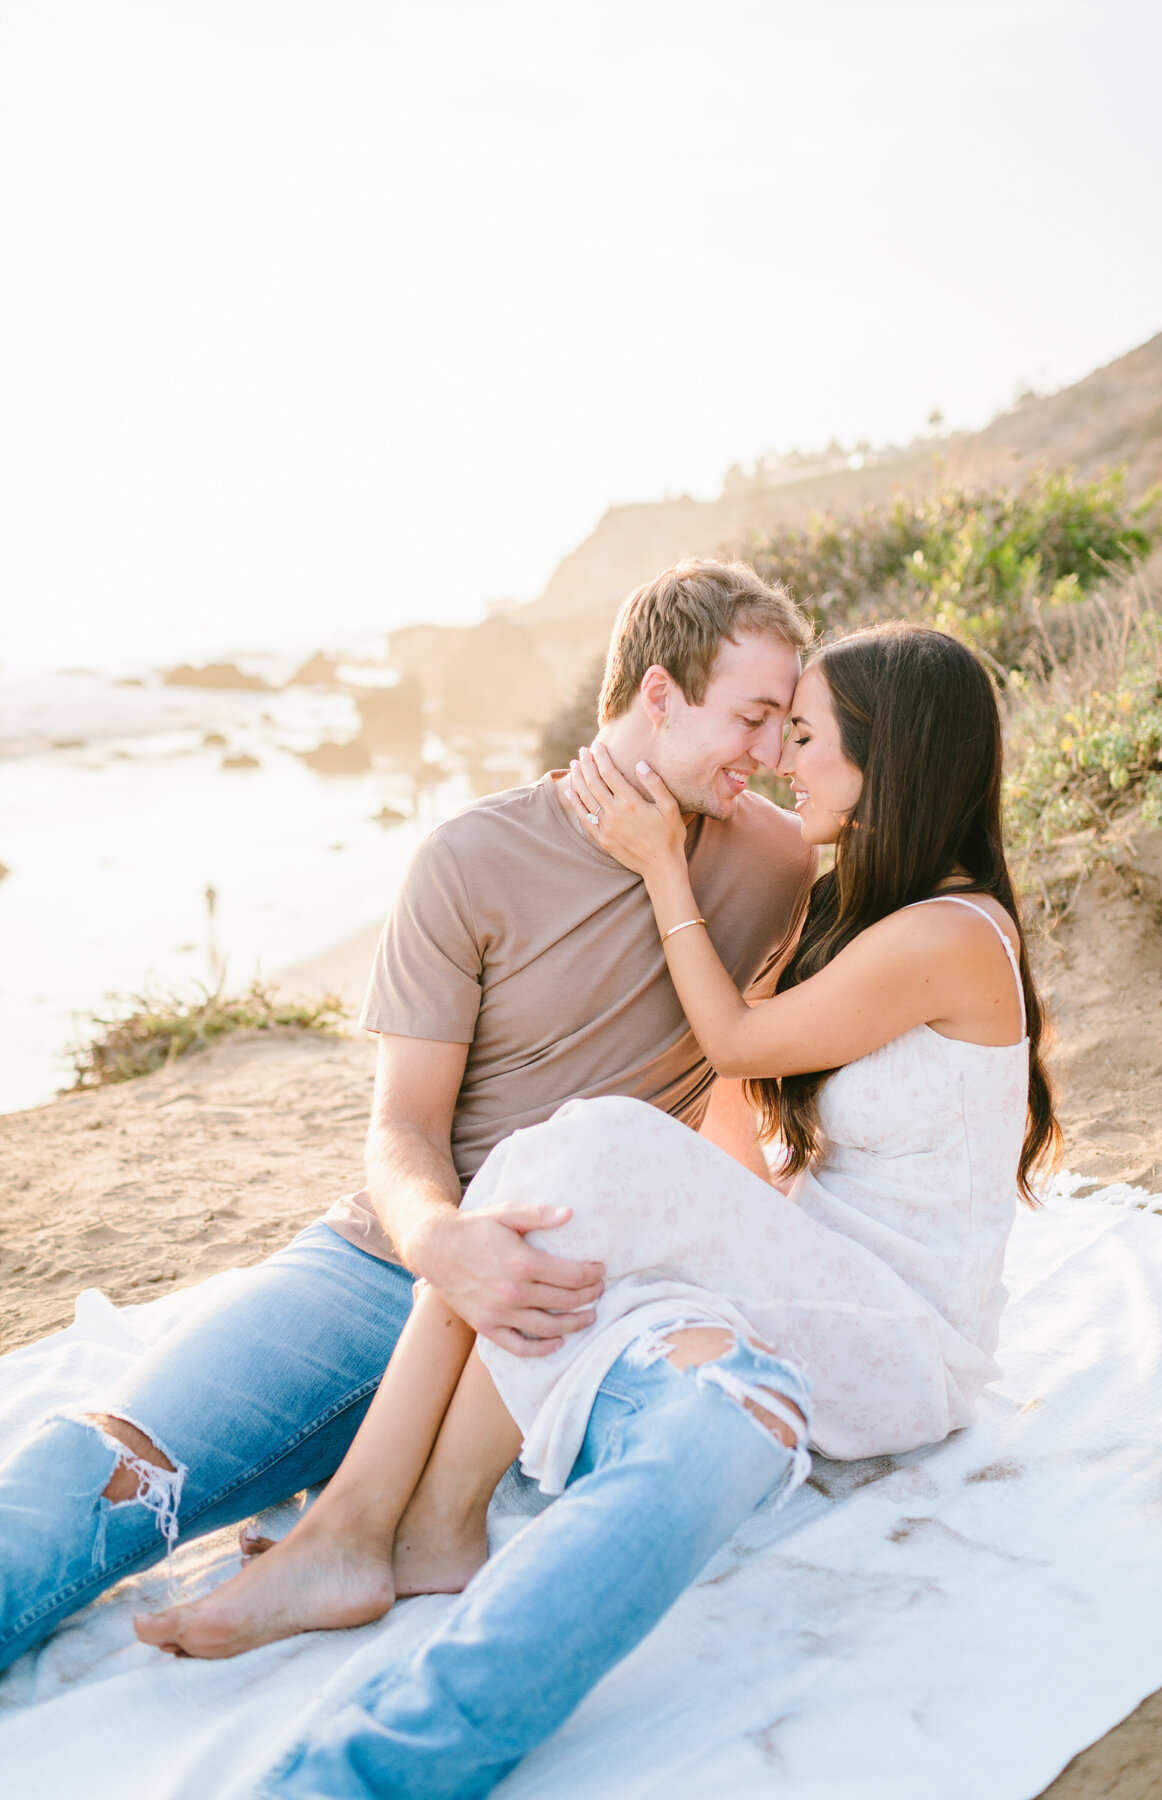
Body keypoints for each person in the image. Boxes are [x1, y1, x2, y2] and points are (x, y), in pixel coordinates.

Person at [135, 622, 1059, 1800]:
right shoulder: (870, 913)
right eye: (775, 730)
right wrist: (668, 1212)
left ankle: (361, 1528)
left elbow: (728, 1039)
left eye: (809, 737)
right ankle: (415, 1533)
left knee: (598, 1141)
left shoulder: (948, 935)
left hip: (905, 1341)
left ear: (892, 760)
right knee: (575, 1188)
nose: (784, 762)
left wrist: (663, 863)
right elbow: (739, 1104)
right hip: (834, 1276)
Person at [0, 558, 814, 1671]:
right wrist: (444, 1245)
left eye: (784, 724)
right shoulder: (473, 856)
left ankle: (389, 1536)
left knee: (707, 1438)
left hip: (574, 1294)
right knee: (106, 1470)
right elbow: (403, 1129)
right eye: (754, 718)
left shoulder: (774, 857)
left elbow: (733, 1063)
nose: (770, 756)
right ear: (661, 696)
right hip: (389, 1261)